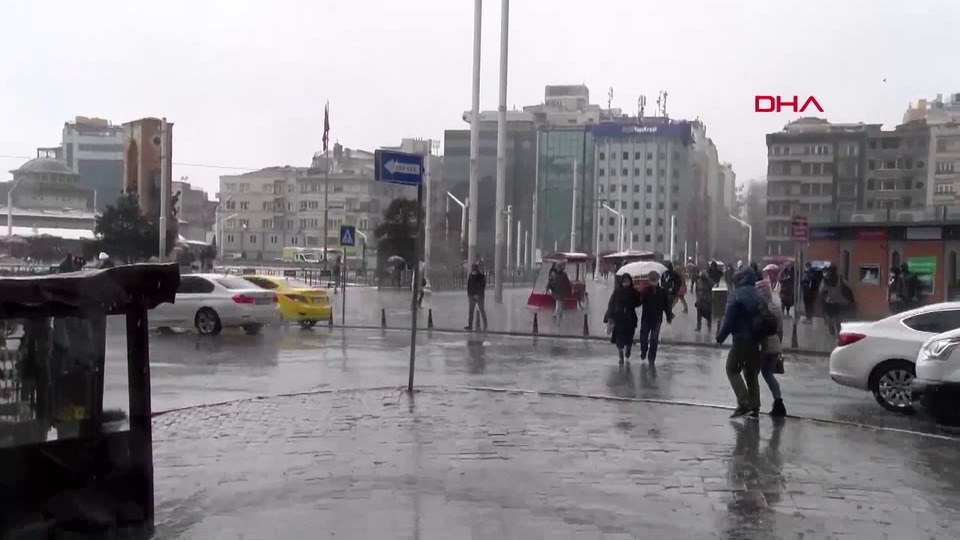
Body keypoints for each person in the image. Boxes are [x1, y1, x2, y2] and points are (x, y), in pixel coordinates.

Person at [716, 266, 766, 419]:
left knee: (732, 369)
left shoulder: (736, 296)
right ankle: (755, 407)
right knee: (751, 373)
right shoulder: (759, 294)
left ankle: (744, 403)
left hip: (741, 339)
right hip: (756, 341)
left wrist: (720, 337)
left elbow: (729, 320)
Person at [756, 279, 787, 417]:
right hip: (775, 346)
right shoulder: (776, 307)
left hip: (763, 346)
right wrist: (779, 345)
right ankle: (778, 402)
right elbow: (780, 329)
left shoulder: (759, 307)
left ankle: (752, 404)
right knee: (768, 374)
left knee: (752, 375)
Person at [604, 273, 643, 365]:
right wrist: (609, 317)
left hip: (630, 318)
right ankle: (621, 353)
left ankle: (628, 349)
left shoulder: (633, 292)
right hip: (619, 318)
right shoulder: (617, 292)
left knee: (629, 337)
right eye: (624, 282)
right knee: (619, 338)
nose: (626, 283)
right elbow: (611, 304)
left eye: (628, 281)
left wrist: (640, 294)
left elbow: (637, 303)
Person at [638, 271, 674, 365]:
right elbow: (638, 302)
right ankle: (644, 350)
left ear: (657, 280)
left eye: (655, 279)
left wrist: (669, 316)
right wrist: (640, 293)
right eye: (651, 279)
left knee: (654, 339)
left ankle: (652, 357)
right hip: (646, 318)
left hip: (657, 319)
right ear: (649, 280)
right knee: (643, 338)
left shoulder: (662, 292)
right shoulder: (645, 291)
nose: (653, 281)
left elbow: (666, 305)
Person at [820, 264, 853, 336]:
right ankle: (838, 331)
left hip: (829, 301)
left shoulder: (825, 279)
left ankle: (832, 332)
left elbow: (821, 290)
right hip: (839, 301)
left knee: (830, 316)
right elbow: (848, 286)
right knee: (838, 317)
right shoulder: (840, 278)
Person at [465, 263, 488, 331]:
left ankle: (485, 324)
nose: (473, 271)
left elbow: (482, 286)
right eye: (472, 269)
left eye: (474, 269)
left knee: (481, 310)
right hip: (471, 296)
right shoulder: (471, 275)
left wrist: (477, 294)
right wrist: (469, 294)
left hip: (479, 297)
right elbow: (469, 285)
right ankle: (470, 325)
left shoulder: (480, 276)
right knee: (471, 310)